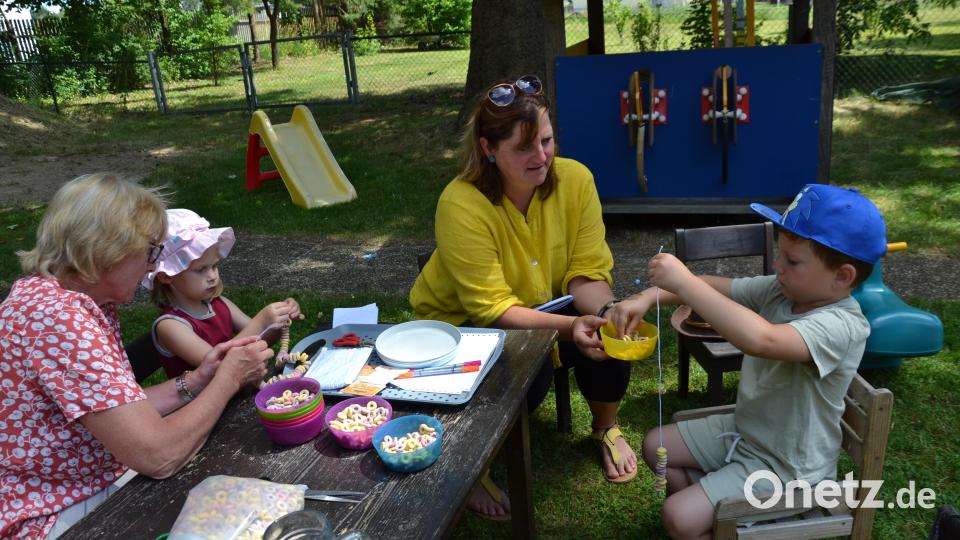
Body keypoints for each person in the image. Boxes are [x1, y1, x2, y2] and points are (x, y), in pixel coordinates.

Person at [409, 75, 637, 521]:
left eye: (547, 141)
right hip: (460, 324)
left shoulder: (577, 180)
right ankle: (473, 462)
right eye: (524, 148)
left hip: (540, 307)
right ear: (488, 149)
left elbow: (584, 275)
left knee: (611, 338)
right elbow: (491, 308)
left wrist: (607, 311)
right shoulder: (460, 202)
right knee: (529, 373)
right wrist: (570, 327)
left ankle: (606, 427)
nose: (542, 157)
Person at [0, 174, 273, 539]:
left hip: (82, 481)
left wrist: (197, 380)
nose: (152, 266)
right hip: (50, 510)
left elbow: (115, 409)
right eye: (149, 252)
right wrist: (229, 379)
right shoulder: (58, 318)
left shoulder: (57, 299)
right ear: (107, 251)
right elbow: (159, 457)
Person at [608, 184, 887, 539]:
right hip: (748, 432)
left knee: (677, 517)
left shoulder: (841, 326)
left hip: (789, 468)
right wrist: (647, 297)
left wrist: (684, 283)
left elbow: (761, 340)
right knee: (655, 445)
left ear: (842, 276)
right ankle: (721, 518)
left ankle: (718, 518)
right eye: (780, 254)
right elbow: (713, 286)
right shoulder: (782, 291)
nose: (779, 266)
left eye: (793, 261)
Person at [143, 208, 304, 378]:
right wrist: (260, 322)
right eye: (201, 270)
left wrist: (278, 321)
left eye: (214, 266)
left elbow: (261, 340)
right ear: (167, 276)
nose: (213, 276)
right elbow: (217, 365)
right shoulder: (170, 326)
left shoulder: (220, 304)